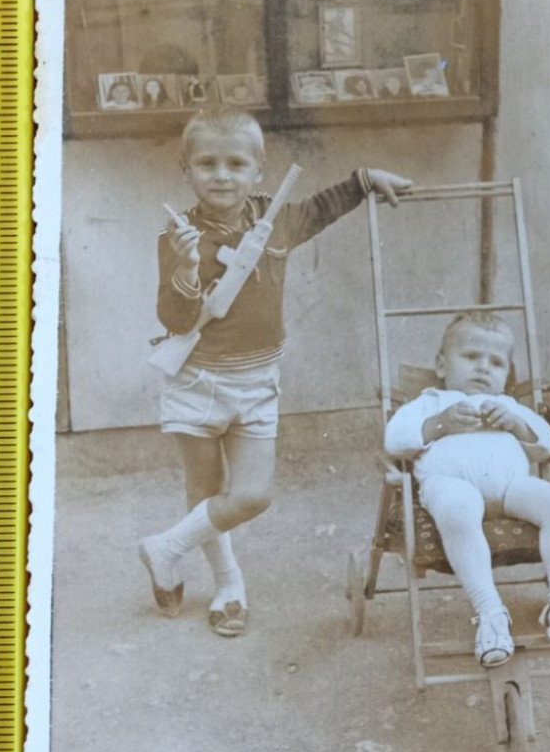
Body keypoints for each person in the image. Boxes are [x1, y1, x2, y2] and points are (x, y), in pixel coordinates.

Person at [139, 108, 412, 636]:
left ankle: (164, 548)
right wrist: (189, 269)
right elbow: (173, 318)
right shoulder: (176, 236)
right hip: (195, 381)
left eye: (236, 163)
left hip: (257, 381)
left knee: (252, 495)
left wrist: (366, 181)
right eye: (207, 163)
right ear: (185, 170)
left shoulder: (279, 216)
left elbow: (326, 206)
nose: (222, 175)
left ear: (260, 170)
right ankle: (228, 586)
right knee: (205, 490)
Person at [384, 311, 550, 667]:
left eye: (496, 362)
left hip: (511, 488)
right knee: (459, 508)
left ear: (507, 373)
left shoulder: (509, 406)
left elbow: (545, 445)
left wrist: (520, 427)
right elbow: (396, 440)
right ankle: (490, 613)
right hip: (449, 485)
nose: (483, 368)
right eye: (471, 356)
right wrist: (439, 424)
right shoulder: (429, 402)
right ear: (441, 365)